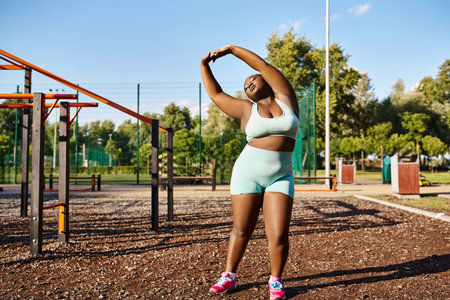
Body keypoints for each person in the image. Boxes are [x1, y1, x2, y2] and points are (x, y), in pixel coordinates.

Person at [200, 45, 299, 300]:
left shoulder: (286, 99)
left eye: (252, 78)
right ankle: (229, 276)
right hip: (247, 173)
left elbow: (262, 65)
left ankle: (275, 280)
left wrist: (232, 50)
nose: (248, 83)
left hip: (281, 175)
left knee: (278, 233)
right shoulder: (246, 109)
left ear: (266, 80)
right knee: (241, 229)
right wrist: (205, 66)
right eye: (245, 85)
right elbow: (216, 93)